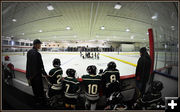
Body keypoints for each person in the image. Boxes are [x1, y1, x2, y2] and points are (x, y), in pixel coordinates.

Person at [26, 39, 48, 106]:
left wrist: (28, 75)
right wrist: (45, 73)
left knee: (35, 90)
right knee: (40, 90)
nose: (40, 45)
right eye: (39, 44)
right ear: (36, 45)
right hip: (37, 76)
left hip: (31, 76)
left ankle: (37, 101)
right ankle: (42, 103)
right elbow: (40, 65)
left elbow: (28, 64)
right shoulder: (37, 54)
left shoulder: (29, 52)